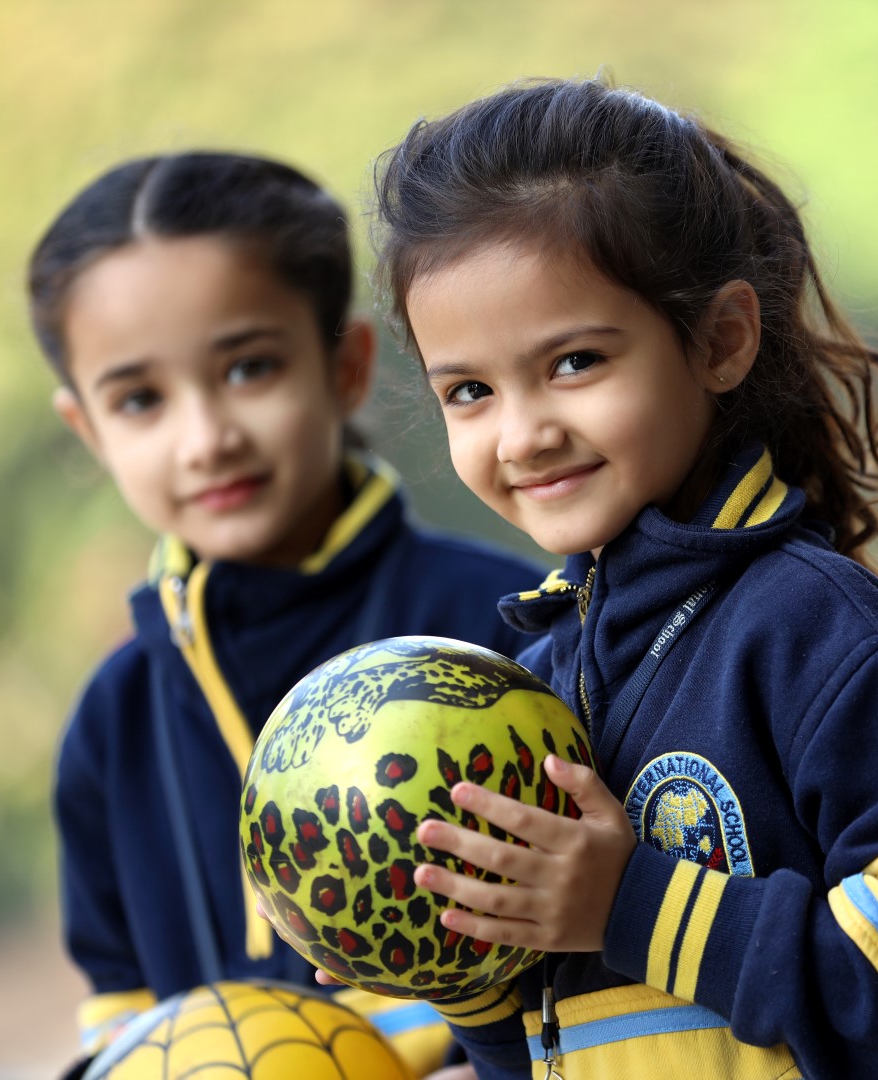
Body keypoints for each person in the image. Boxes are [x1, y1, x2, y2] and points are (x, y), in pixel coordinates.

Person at [364, 79, 878, 1078]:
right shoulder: (538, 678)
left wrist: (631, 903)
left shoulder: (806, 625)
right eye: (470, 390)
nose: (521, 435)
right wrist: (470, 966)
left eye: (573, 362)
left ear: (721, 340)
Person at [27, 151, 546, 1076]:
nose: (207, 439)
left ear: (346, 367)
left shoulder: (506, 626)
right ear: (88, 429)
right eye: (140, 400)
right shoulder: (111, 726)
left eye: (249, 368)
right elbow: (121, 1017)